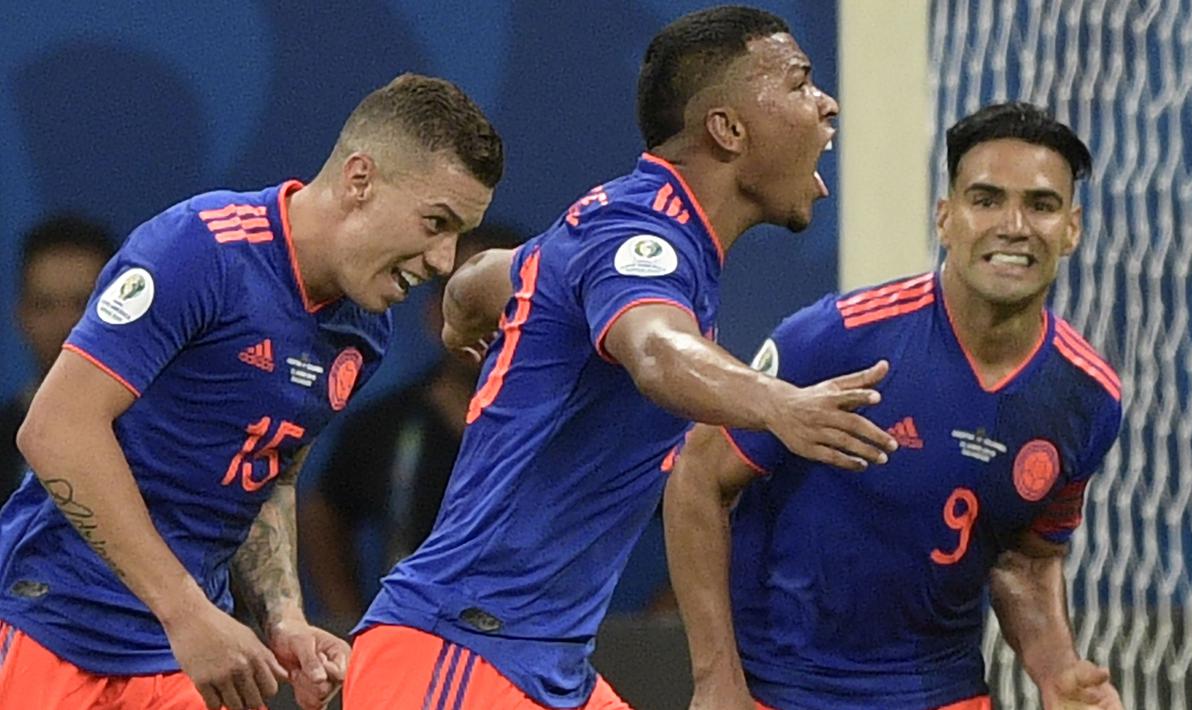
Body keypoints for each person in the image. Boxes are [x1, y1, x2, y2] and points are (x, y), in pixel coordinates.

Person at [345, 6, 899, 709]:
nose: (826, 103)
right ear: (727, 129)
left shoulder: (623, 225)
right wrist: (779, 403)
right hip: (461, 656)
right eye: (798, 83)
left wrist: (461, 309)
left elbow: (488, 276)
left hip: (540, 662)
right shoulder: (642, 234)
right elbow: (656, 351)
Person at [0, 72, 502, 710]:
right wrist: (187, 613)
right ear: (360, 180)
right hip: (52, 634)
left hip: (185, 657)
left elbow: (268, 470)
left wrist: (283, 619)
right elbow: (55, 430)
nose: (444, 261)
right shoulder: (200, 248)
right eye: (436, 222)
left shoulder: (363, 331)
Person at [664, 102, 1124, 710]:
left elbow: (1027, 561)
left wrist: (1058, 670)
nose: (1014, 225)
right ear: (946, 218)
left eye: (1041, 205)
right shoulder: (836, 339)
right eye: (986, 200)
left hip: (944, 692)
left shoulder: (1087, 397)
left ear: (1072, 228)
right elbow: (697, 479)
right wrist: (716, 679)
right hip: (782, 690)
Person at [301, 223, 523, 628]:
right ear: (436, 312)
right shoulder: (384, 425)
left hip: (539, 644)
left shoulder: (575, 426)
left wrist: (652, 624)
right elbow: (323, 511)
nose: (490, 323)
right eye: (469, 301)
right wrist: (347, 620)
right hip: (412, 640)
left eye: (507, 306)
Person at [1, 216, 114, 504]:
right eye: (44, 306)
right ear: (21, 317)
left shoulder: (165, 435)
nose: (65, 325)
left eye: (81, 303)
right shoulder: (4, 437)